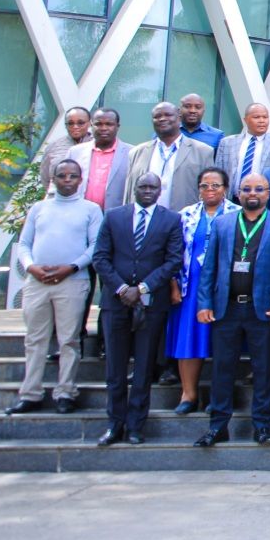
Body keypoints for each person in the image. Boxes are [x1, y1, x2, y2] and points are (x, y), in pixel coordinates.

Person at [194, 172, 270, 446]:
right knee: (222, 369)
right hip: (226, 310)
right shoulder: (223, 224)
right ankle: (218, 426)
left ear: (268, 193)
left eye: (259, 189)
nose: (253, 193)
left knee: (263, 370)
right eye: (247, 189)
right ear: (238, 193)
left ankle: (262, 426)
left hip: (262, 311)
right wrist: (204, 303)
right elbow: (209, 268)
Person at [92, 173, 184, 446]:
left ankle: (135, 426)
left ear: (160, 190)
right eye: (142, 186)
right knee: (115, 369)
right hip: (116, 301)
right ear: (134, 188)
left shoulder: (171, 220)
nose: (147, 191)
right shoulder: (113, 217)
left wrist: (142, 288)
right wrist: (122, 289)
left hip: (151, 303)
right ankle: (114, 424)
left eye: (152, 187)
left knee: (144, 368)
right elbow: (100, 257)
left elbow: (173, 261)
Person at [6, 159, 102, 416]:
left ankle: (65, 392)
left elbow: (95, 247)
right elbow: (24, 244)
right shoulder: (39, 208)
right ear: (54, 179)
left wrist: (70, 267)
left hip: (72, 281)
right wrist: (31, 267)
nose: (67, 180)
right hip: (37, 282)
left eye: (73, 176)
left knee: (69, 340)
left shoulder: (91, 209)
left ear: (80, 180)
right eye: (62, 176)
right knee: (35, 339)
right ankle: (30, 393)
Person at [166, 166, 237, 413]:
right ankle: (188, 395)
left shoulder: (236, 214)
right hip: (190, 287)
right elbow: (173, 252)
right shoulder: (185, 215)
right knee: (189, 339)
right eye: (205, 185)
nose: (210, 190)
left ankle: (219, 396)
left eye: (215, 185)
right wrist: (173, 284)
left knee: (223, 342)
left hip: (225, 287)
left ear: (225, 188)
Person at [124, 101, 214, 212]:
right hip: (143, 222)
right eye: (157, 116)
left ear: (179, 118)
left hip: (183, 221)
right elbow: (128, 193)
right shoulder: (137, 152)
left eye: (168, 115)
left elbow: (209, 192)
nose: (162, 119)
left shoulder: (203, 152)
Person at [215, 103, 270, 196]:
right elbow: (218, 175)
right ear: (245, 120)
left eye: (265, 117)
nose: (262, 121)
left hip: (265, 203)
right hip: (232, 201)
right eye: (257, 117)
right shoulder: (227, 143)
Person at [69, 108, 131, 218]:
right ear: (91, 125)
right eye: (98, 124)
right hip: (79, 216)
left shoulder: (132, 153)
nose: (103, 128)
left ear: (118, 126)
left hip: (116, 218)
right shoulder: (75, 152)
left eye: (109, 124)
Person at [39, 107, 92, 189]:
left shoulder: (97, 145)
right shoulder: (53, 146)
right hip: (57, 197)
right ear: (65, 125)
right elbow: (45, 178)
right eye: (70, 123)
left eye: (80, 123)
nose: (75, 127)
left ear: (89, 123)